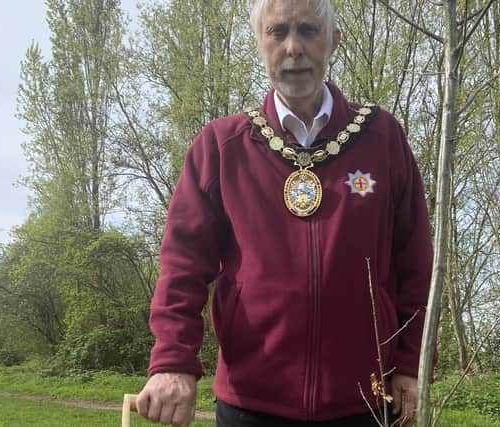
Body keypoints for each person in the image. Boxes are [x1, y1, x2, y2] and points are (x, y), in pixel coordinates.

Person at [135, 0, 433, 426]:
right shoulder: (222, 146)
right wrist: (172, 361)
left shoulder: (383, 138)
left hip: (365, 405)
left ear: (334, 40)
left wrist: (411, 363)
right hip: (249, 407)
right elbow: (183, 265)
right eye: (277, 32)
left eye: (308, 30)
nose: (293, 47)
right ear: (259, 42)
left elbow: (416, 264)